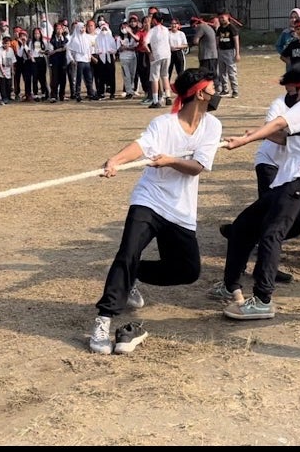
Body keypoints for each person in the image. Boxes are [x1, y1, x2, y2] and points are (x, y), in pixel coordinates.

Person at [89, 68, 223, 355]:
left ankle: (132, 275)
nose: (217, 94)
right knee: (128, 252)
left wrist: (170, 160)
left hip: (180, 208)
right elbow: (141, 145)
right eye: (213, 89)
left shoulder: (212, 126)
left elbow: (197, 167)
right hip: (149, 199)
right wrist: (115, 160)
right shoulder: (163, 124)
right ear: (200, 93)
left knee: (188, 271)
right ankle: (103, 320)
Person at [214, 62, 300, 319]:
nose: (288, 95)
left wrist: (246, 139)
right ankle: (230, 285)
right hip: (286, 181)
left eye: (290, 90)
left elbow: (278, 124)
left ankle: (263, 300)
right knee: (242, 227)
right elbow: (287, 139)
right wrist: (255, 134)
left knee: (271, 234)